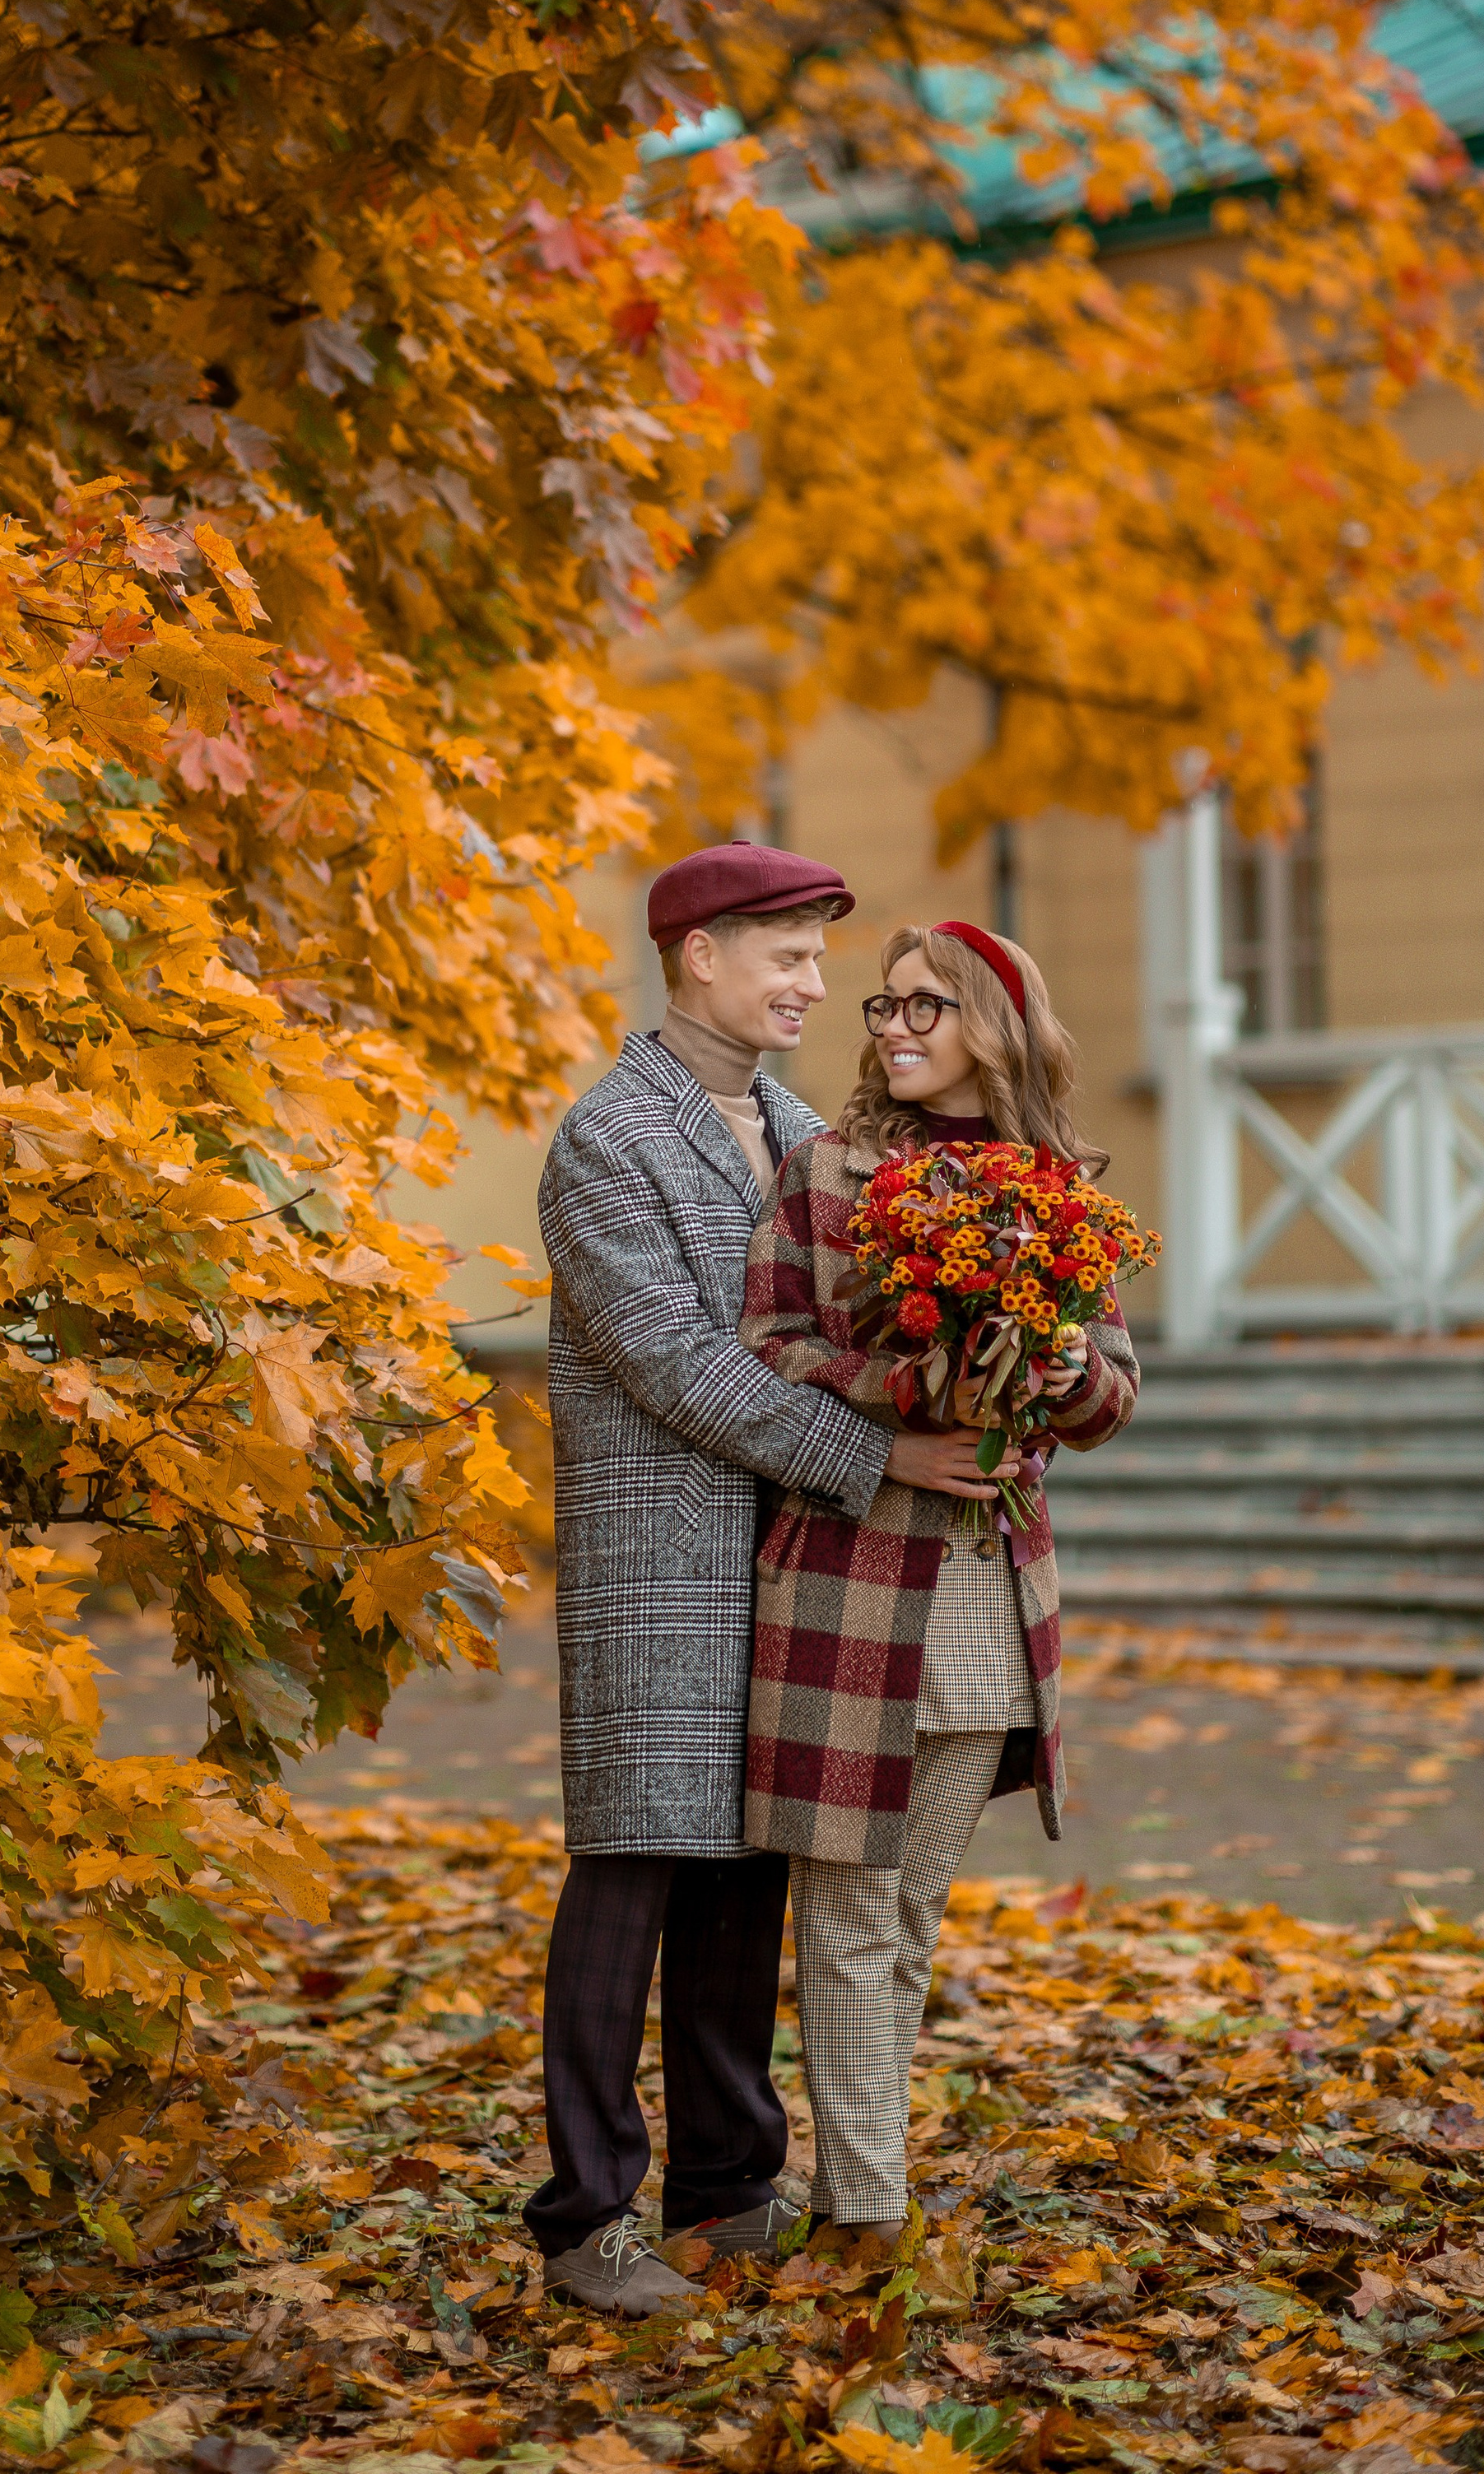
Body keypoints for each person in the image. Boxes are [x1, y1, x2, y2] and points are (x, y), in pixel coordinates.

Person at [529, 840, 903, 2318]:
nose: (816, 985)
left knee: (748, 1872)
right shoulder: (605, 1140)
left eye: (820, 956)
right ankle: (583, 2220)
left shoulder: (805, 1128)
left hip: (790, 1554)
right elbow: (678, 1363)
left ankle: (730, 2191)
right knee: (634, 1868)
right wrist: (875, 1464)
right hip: (659, 1553)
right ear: (699, 955)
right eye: (790, 956)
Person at [738, 917, 1139, 2258]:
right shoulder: (828, 1170)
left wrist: (1059, 1373)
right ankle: (870, 2212)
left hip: (988, 1599)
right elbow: (769, 1348)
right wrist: (906, 1394)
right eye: (885, 1005)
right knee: (848, 1913)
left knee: (909, 1916)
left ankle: (868, 2183)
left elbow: (1112, 1392)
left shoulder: (1057, 1186)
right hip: (849, 1587)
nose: (893, 1027)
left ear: (995, 1025)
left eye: (927, 1007)